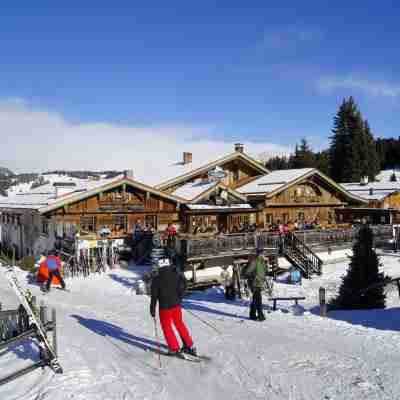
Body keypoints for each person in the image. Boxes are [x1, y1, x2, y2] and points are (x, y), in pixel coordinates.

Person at [150, 260, 196, 356]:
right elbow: (183, 285)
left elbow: (154, 296)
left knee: (167, 327)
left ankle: (174, 348)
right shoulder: (176, 274)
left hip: (165, 308)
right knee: (179, 323)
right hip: (176, 305)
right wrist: (180, 297)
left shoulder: (156, 279)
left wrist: (152, 309)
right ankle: (189, 345)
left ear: (159, 267)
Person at [245, 248, 268, 321]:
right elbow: (247, 272)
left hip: (259, 283)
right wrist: (254, 277)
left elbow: (263, 272)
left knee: (255, 300)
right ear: (259, 254)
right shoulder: (254, 262)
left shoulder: (262, 262)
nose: (264, 255)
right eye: (263, 253)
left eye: (264, 253)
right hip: (254, 284)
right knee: (258, 300)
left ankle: (252, 315)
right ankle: (260, 316)